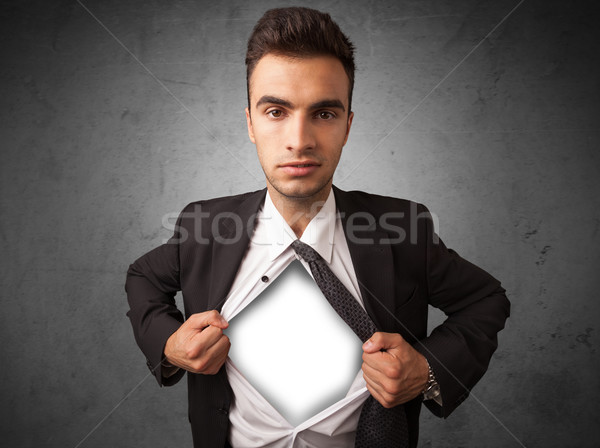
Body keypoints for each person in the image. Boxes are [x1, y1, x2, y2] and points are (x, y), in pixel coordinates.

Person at [125, 7, 510, 448]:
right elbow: (142, 279)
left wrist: (426, 370)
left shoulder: (405, 229)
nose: (300, 139)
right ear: (250, 123)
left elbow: (485, 299)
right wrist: (168, 344)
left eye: (324, 114)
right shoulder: (201, 226)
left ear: (347, 125)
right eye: (275, 111)